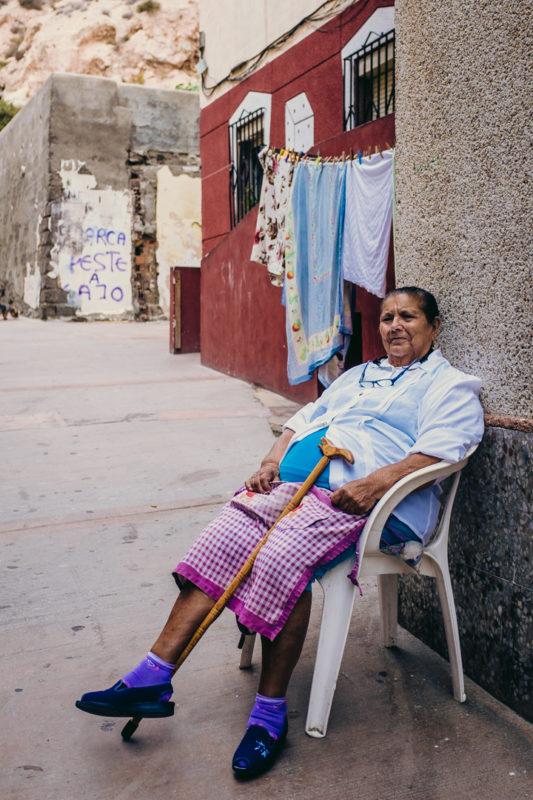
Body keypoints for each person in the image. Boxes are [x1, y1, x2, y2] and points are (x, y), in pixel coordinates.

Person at [76, 287, 484, 778]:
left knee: (280, 560)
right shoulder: (358, 375)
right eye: (387, 317)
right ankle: (152, 676)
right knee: (222, 539)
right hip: (294, 487)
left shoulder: (450, 385)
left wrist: (372, 484)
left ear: (434, 326)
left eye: (409, 317)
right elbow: (303, 420)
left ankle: (269, 716)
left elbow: (444, 450)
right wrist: (271, 461)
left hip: (366, 501)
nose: (395, 326)